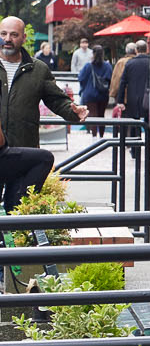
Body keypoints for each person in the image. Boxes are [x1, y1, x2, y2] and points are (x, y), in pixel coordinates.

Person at [0, 15, 84, 211]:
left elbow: (56, 100)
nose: (7, 39)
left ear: (23, 38)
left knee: (17, 209)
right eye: (3, 34)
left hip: (23, 148)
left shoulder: (38, 69)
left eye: (14, 35)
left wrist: (74, 111)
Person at [111, 39, 150, 120]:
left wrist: (120, 101)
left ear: (136, 50)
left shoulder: (130, 63)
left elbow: (123, 82)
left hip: (132, 98)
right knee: (147, 121)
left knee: (133, 122)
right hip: (148, 97)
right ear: (147, 49)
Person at [78, 46, 113, 118]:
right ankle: (101, 126)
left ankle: (93, 126)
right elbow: (110, 79)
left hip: (90, 95)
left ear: (93, 53)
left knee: (92, 116)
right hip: (103, 95)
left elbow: (81, 78)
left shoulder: (88, 66)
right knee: (101, 116)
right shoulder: (107, 66)